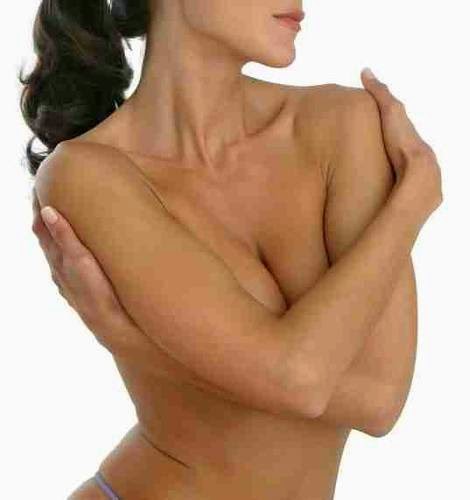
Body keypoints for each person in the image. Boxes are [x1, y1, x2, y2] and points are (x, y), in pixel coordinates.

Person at [23, 1, 443, 498]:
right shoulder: (85, 174)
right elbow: (299, 382)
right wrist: (410, 205)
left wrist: (138, 344)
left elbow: (379, 401)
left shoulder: (343, 123)